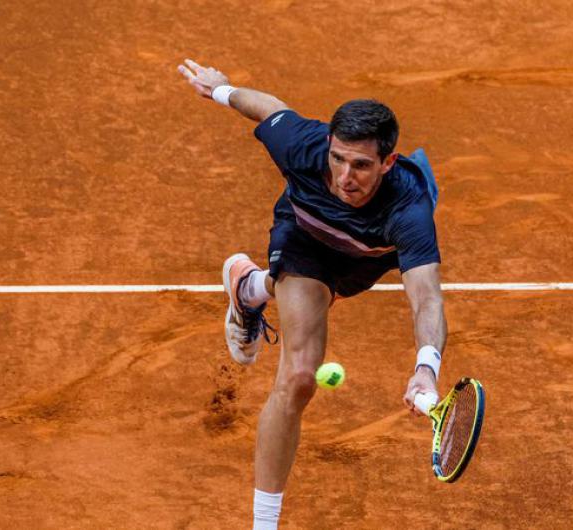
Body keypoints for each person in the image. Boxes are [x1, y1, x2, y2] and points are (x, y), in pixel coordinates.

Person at [178, 59, 447, 530]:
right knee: (300, 376)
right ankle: (265, 524)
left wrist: (427, 367)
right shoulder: (302, 147)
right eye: (338, 158)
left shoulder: (410, 209)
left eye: (362, 165)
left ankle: (249, 288)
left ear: (389, 162)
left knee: (317, 299)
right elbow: (268, 110)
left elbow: (426, 299)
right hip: (304, 238)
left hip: (364, 257)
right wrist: (223, 90)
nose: (345, 176)